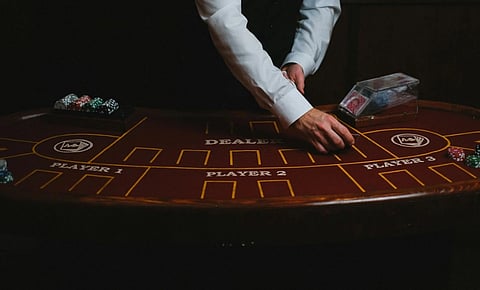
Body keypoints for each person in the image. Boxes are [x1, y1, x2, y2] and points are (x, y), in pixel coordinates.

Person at [194, 0, 354, 154]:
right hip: (204, 92)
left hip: (281, 81)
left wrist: (300, 58)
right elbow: (224, 18)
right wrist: (294, 109)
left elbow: (321, 4)